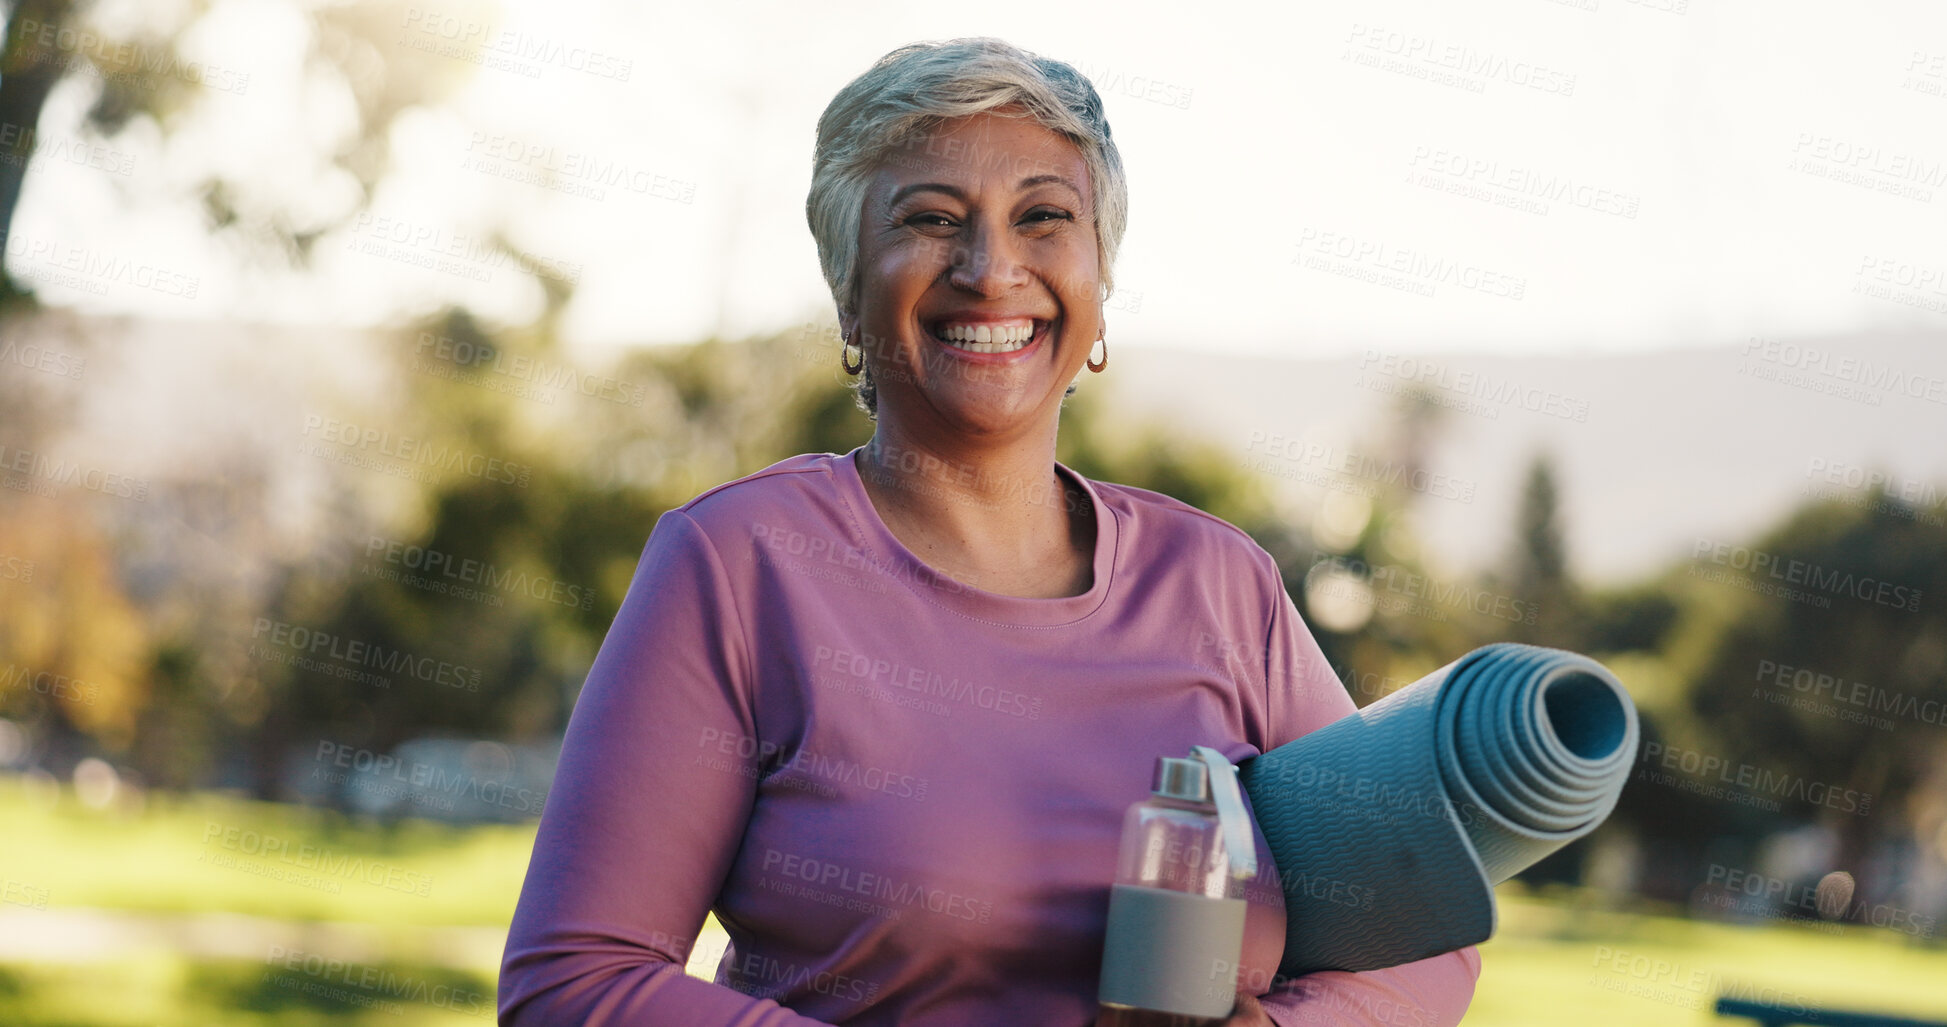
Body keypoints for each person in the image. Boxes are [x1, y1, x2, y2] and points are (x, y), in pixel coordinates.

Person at [498, 36, 1480, 1026]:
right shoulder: (741, 565)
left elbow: (1420, 940)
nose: (991, 267)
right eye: (930, 220)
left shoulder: (1223, 586)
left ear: (1099, 284)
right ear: (847, 291)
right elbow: (577, 983)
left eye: (1044, 217)